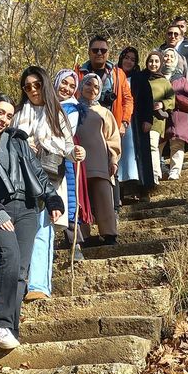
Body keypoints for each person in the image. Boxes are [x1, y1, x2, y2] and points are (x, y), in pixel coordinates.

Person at [0, 94, 65, 349]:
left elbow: (37, 173)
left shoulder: (17, 141)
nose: (3, 119)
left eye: (9, 116)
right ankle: (0, 324)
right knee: (9, 257)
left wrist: (52, 199)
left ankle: (11, 327)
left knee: (21, 270)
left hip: (27, 209)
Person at [12, 66, 77, 302]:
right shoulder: (17, 114)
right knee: (16, 231)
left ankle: (38, 284)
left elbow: (67, 146)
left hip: (48, 178)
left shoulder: (57, 114)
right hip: (20, 179)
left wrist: (76, 153)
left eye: (37, 85)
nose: (32, 90)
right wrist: (22, 144)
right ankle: (12, 285)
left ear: (45, 85)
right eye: (27, 86)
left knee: (42, 227)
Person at [77, 73, 122, 246]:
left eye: (96, 87)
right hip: (78, 162)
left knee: (104, 197)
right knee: (81, 199)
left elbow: (112, 138)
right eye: (88, 84)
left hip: (100, 161)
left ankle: (109, 233)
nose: (92, 89)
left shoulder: (104, 112)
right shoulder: (71, 109)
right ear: (81, 86)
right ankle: (83, 236)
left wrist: (113, 159)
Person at [53, 69, 89, 260]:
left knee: (68, 199)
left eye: (72, 86)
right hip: (40, 159)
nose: (67, 88)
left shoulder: (73, 108)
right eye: (64, 83)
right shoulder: (42, 104)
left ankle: (74, 243)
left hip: (62, 158)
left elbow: (63, 134)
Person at [115, 47, 155, 197]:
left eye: (132, 60)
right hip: (117, 122)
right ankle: (121, 192)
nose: (129, 62)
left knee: (139, 157)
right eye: (126, 58)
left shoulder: (140, 78)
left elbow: (148, 100)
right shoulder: (114, 76)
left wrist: (148, 119)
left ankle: (143, 190)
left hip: (137, 124)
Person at [74, 35, 134, 131]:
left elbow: (128, 100)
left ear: (108, 53)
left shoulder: (118, 74)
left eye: (103, 50)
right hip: (84, 125)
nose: (99, 53)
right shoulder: (78, 74)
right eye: (95, 50)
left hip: (113, 126)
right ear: (89, 52)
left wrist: (124, 122)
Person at [161, 48, 188, 181]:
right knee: (158, 144)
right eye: (166, 56)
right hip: (161, 116)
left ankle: (175, 171)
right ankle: (156, 172)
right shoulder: (156, 77)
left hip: (179, 115)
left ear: (176, 60)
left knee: (177, 143)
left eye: (172, 56)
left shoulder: (181, 79)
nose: (168, 59)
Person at [144, 51, 175, 183]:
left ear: (161, 63)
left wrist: (162, 104)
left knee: (152, 145)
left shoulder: (164, 82)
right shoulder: (141, 78)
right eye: (151, 61)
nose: (153, 64)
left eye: (156, 61)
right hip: (140, 118)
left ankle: (155, 175)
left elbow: (172, 100)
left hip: (156, 119)